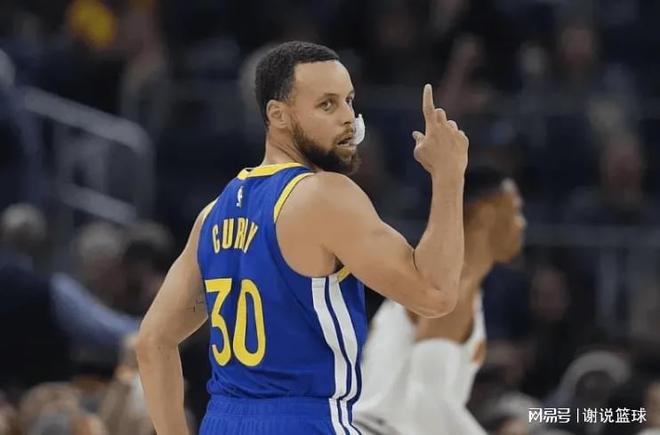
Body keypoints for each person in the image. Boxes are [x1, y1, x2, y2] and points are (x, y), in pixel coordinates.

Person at [136, 40, 468, 435]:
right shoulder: (324, 194)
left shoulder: (212, 214)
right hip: (305, 420)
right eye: (327, 105)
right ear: (277, 115)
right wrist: (448, 177)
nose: (348, 118)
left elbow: (152, 341)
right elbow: (434, 293)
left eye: (349, 101)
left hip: (222, 422)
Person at [354, 166, 526, 435]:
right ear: (486, 215)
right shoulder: (453, 287)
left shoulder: (449, 280)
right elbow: (428, 398)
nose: (521, 224)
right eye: (514, 211)